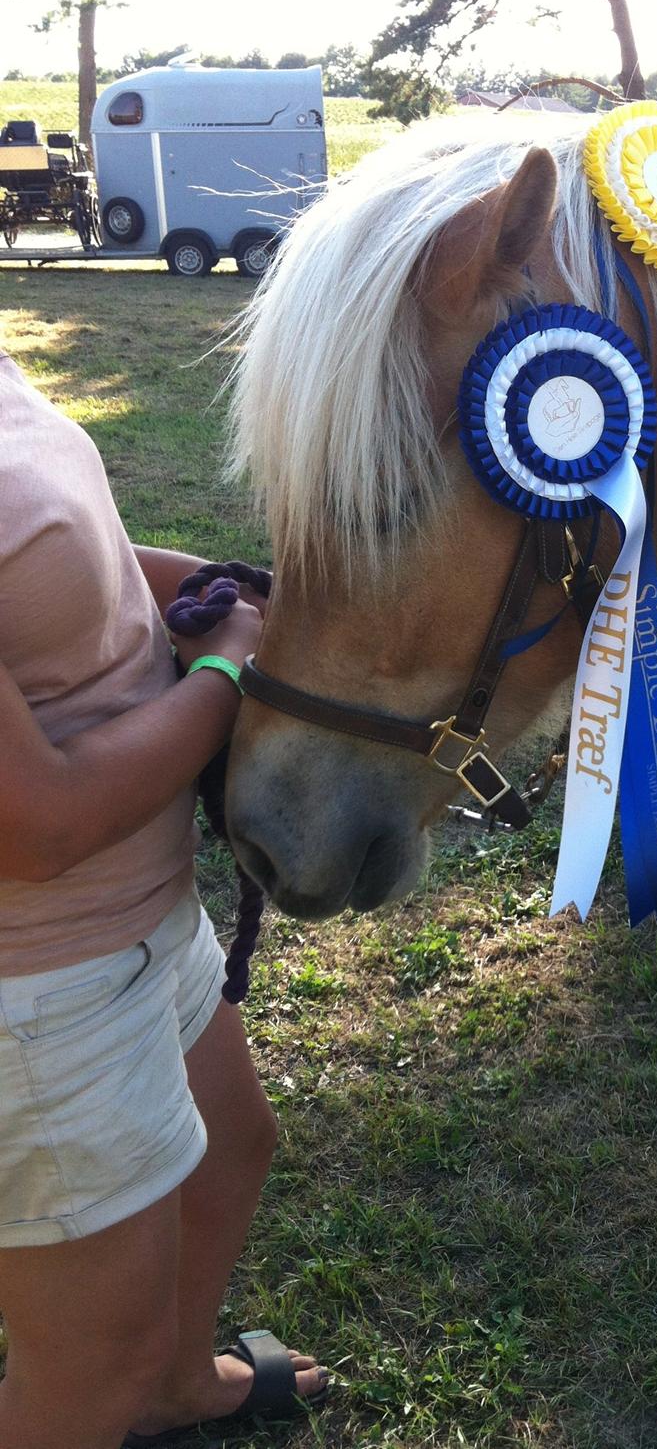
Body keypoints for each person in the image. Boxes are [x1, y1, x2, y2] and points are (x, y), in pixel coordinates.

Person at [0, 349, 326, 1449]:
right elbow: (34, 824)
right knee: (92, 1366)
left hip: (140, 922)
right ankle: (136, 1385)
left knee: (232, 1150)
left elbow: (62, 544)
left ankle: (182, 1384)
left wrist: (208, 588)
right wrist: (226, 672)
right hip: (41, 987)